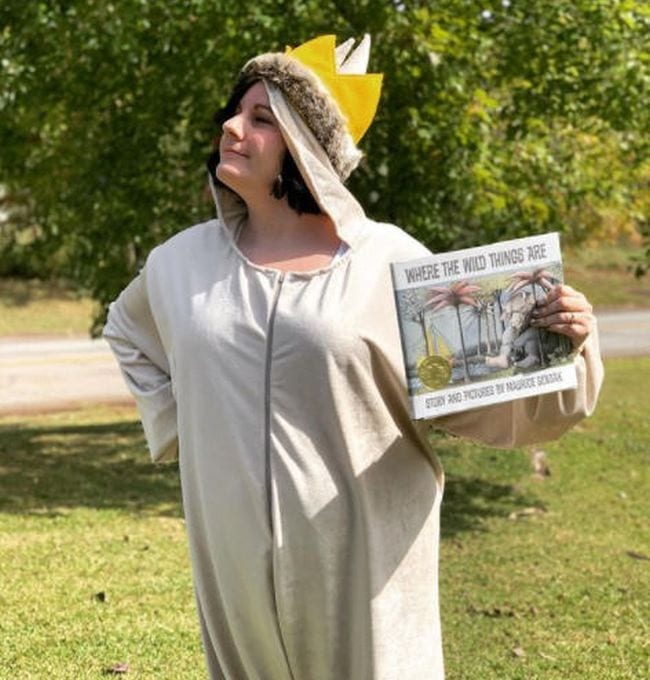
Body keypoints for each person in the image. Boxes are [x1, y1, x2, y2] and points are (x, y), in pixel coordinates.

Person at [103, 35, 604, 680]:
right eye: (236, 111)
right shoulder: (179, 264)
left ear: (307, 148)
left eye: (261, 118)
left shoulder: (388, 263)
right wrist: (183, 426)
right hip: (231, 557)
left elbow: (496, 393)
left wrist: (567, 342)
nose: (231, 126)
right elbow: (127, 329)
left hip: (362, 556)